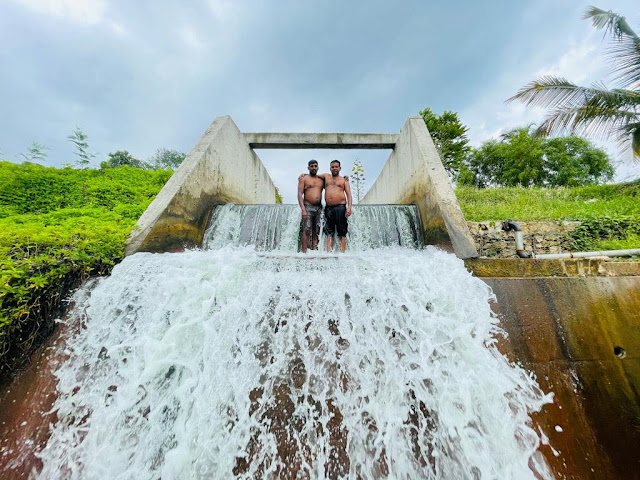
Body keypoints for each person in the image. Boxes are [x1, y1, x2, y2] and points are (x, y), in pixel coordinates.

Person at [321, 160, 352, 252]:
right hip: (328, 208)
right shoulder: (326, 177)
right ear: (330, 168)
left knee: (342, 231)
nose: (334, 168)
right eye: (332, 167)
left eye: (336, 167)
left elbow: (349, 195)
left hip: (340, 207)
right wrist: (304, 175)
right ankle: (329, 253)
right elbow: (314, 175)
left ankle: (342, 253)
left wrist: (349, 207)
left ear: (340, 168)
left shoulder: (344, 180)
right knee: (329, 231)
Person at [297, 159, 324, 252]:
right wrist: (303, 209)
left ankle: (314, 251)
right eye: (312, 166)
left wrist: (345, 177)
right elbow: (299, 194)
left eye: (315, 166)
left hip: (319, 208)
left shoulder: (321, 180)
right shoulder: (303, 179)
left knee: (316, 230)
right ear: (308, 167)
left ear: (318, 167)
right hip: (308, 207)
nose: (314, 168)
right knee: (307, 229)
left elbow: (333, 183)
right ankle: (304, 252)